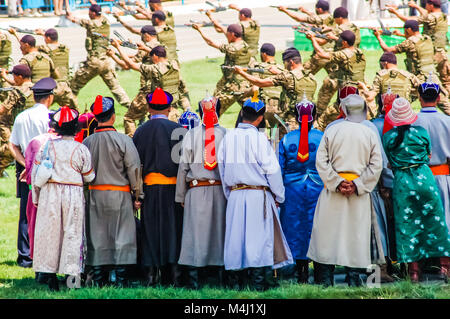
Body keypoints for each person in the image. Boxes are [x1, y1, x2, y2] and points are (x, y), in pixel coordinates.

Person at [217, 96, 293, 291]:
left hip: (235, 194)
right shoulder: (260, 139)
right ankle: (259, 282)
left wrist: (230, 194)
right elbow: (272, 171)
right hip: (257, 194)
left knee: (236, 240)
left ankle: (236, 283)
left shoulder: (228, 137)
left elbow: (223, 170)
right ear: (260, 119)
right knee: (258, 239)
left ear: (242, 114)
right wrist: (279, 196)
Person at [307, 94, 383, 287]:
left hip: (333, 191)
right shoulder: (369, 133)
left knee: (326, 235)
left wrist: (337, 182)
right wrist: (357, 184)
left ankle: (325, 281)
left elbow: (321, 161)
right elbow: (376, 165)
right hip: (358, 193)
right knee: (356, 235)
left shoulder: (332, 130)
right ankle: (354, 280)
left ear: (344, 109)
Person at [383, 97, 450, 282]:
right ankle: (445, 268)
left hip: (403, 183)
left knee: (407, 225)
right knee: (436, 223)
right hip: (425, 180)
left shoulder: (388, 138)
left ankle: (413, 272)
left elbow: (391, 160)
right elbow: (427, 155)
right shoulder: (421, 132)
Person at [32, 106, 95, 291]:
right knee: (72, 234)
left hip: (50, 194)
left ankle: (50, 277)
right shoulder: (81, 148)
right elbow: (89, 176)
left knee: (50, 235)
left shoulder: (47, 146)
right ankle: (71, 279)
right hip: (73, 194)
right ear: (76, 127)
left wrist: (36, 198)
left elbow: (36, 173)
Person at [83, 96, 142, 288]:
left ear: (95, 118)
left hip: (94, 194)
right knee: (123, 236)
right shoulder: (124, 140)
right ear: (114, 117)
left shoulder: (87, 142)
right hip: (120, 195)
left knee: (97, 236)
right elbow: (134, 169)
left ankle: (99, 279)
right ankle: (121, 279)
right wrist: (138, 195)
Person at [132, 88, 185, 287]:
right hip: (174, 189)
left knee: (150, 232)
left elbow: (136, 164)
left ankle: (150, 276)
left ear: (148, 108)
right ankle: (174, 275)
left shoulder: (140, 130)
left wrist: (136, 194)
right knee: (173, 231)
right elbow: (184, 164)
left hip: (150, 189)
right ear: (170, 108)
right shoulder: (178, 129)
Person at [175, 96, 227, 290]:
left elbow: (183, 167)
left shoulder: (191, 135)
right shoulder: (227, 134)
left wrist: (180, 195)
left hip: (196, 189)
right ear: (218, 111)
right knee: (218, 232)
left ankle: (195, 280)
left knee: (196, 233)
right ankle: (220, 279)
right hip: (220, 189)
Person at [9, 77, 57, 269]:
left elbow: (12, 145)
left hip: (26, 171)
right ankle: (45, 253)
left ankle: (25, 256)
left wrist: (26, 164)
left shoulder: (21, 116)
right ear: (50, 97)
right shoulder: (51, 117)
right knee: (47, 210)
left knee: (25, 212)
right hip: (47, 170)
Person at [278, 97, 324, 284]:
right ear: (313, 117)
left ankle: (300, 272)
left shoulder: (287, 138)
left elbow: (279, 168)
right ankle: (321, 271)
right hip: (317, 188)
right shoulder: (322, 137)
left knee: (294, 227)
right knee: (317, 226)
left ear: (296, 118)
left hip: (292, 189)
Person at [372, 19, 450, 115]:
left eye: (405, 31)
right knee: (444, 104)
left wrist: (378, 37)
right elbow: (414, 40)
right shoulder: (427, 39)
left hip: (417, 80)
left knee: (401, 102)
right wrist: (400, 35)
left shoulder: (410, 42)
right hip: (432, 76)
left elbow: (388, 50)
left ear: (409, 29)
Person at [234, 47, 317, 135]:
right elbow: (295, 79)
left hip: (291, 124)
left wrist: (240, 72)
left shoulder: (287, 77)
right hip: (309, 123)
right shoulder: (311, 77)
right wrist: (279, 73)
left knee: (277, 145)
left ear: (291, 62)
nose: (285, 66)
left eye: (285, 63)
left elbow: (260, 83)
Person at [414, 79, 450, 280]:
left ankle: (419, 268)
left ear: (419, 98)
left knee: (420, 220)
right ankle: (445, 266)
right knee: (445, 220)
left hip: (419, 177)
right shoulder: (447, 121)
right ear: (438, 98)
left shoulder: (413, 121)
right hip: (443, 177)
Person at [111, 43, 190, 131]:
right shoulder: (175, 64)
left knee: (129, 118)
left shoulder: (154, 69)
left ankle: (132, 142)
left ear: (155, 56)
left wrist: (117, 47)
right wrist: (146, 49)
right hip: (172, 107)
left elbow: (131, 64)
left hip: (157, 106)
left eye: (152, 56)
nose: (151, 59)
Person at [66, 5, 131, 109]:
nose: (88, 14)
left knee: (72, 87)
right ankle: (133, 108)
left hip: (94, 63)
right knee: (116, 88)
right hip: (106, 62)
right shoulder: (106, 21)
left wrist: (69, 14)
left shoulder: (90, 24)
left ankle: (72, 112)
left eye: (89, 12)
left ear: (93, 13)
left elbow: (74, 19)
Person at [306, 30, 367, 130]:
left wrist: (313, 39)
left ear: (345, 43)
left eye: (340, 40)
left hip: (347, 94)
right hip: (360, 90)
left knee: (325, 118)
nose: (338, 41)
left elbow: (322, 54)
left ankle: (317, 135)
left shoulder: (343, 54)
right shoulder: (359, 52)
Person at [387, 0, 450, 94]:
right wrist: (416, 6)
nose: (425, 6)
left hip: (432, 53)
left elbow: (411, 22)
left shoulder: (430, 17)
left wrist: (395, 12)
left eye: (426, 5)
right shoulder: (442, 16)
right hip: (442, 53)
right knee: (446, 82)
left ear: (431, 5)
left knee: (421, 80)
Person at [192, 23, 251, 117]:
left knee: (211, 114)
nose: (226, 35)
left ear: (232, 34)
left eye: (227, 33)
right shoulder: (244, 45)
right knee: (252, 114)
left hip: (233, 86)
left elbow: (210, 42)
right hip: (244, 83)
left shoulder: (232, 48)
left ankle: (207, 129)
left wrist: (200, 30)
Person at [277, 0, 335, 75]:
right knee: (335, 79)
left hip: (320, 55)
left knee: (302, 74)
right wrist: (306, 11)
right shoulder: (332, 17)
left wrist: (285, 10)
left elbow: (299, 18)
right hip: (331, 54)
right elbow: (315, 16)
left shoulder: (319, 18)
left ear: (319, 9)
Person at [0, 65, 34, 178]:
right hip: (35, 128)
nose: (13, 79)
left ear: (20, 76)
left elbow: (2, 110)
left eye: (14, 76)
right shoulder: (36, 87)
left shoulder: (17, 92)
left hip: (20, 130)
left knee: (9, 150)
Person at [34, 28, 78, 109]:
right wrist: (44, 34)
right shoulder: (65, 48)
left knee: (39, 109)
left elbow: (29, 47)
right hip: (64, 86)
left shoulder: (45, 48)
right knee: (74, 112)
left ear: (48, 38)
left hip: (51, 86)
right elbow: (53, 43)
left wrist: (15, 33)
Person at [246, 43, 284, 130]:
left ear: (264, 54)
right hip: (279, 108)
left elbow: (255, 88)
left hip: (264, 107)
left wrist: (246, 94)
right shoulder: (282, 69)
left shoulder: (258, 68)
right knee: (275, 135)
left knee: (262, 134)